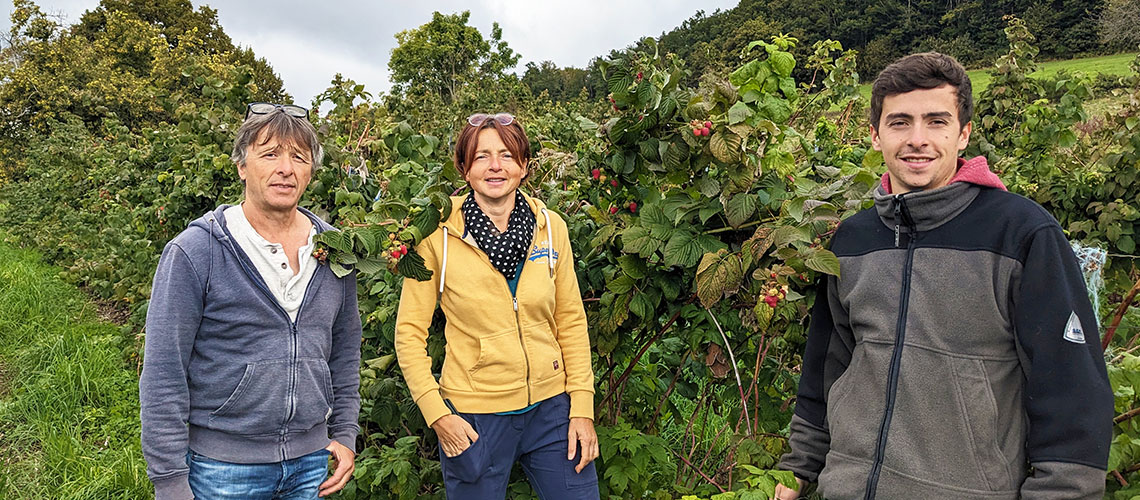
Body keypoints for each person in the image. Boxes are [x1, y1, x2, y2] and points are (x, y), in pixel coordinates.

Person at [773, 53, 1112, 499]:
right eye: (899, 123)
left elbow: (1072, 394)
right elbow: (826, 371)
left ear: (963, 133)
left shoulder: (1021, 234)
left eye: (936, 121)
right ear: (875, 136)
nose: (917, 139)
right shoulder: (852, 240)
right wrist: (797, 470)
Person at [140, 102, 362, 500]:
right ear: (243, 165)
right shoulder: (196, 251)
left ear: (311, 171)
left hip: (312, 463)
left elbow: (345, 352)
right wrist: (170, 481)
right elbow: (163, 373)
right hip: (220, 468)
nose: (286, 168)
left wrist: (345, 432)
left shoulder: (335, 249)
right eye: (270, 154)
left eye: (299, 156)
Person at [395, 113, 600, 499]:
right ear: (464, 169)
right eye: (481, 157)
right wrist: (437, 414)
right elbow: (409, 333)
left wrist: (582, 408)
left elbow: (571, 319)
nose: (495, 166)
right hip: (475, 417)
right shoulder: (435, 236)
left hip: (552, 409)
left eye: (506, 155)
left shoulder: (552, 227)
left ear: (523, 166)